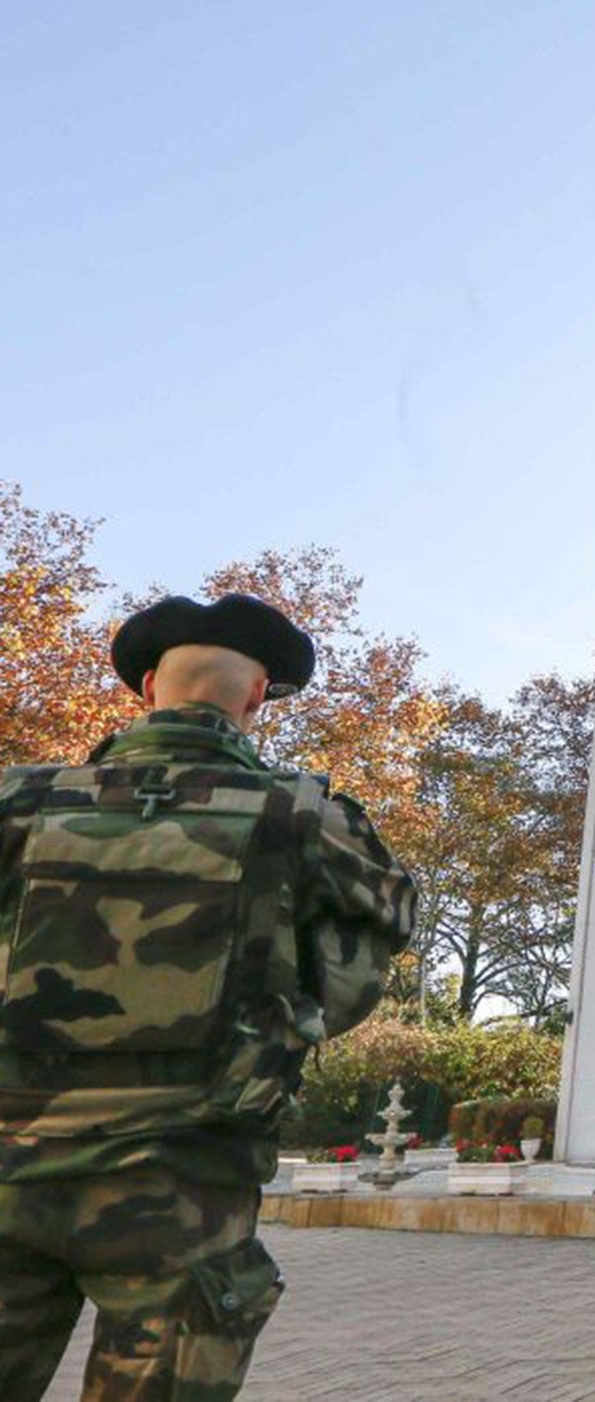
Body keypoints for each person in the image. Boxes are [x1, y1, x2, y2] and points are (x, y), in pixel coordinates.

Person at [0, 592, 417, 1400]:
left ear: (149, 685)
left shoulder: (19, 800)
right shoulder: (301, 814)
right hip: (186, 1186)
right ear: (259, 696)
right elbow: (377, 941)